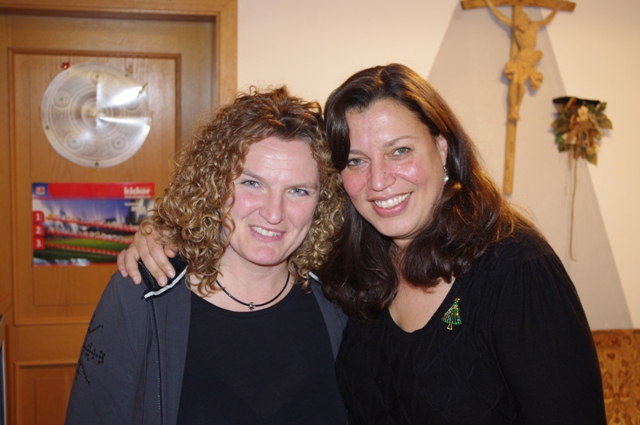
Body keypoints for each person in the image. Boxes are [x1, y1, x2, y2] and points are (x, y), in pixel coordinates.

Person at [119, 64, 607, 424]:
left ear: (441, 148)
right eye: (355, 160)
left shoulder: (516, 271)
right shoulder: (352, 269)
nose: (379, 181)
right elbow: (261, 224)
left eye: (400, 151)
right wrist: (165, 232)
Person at [66, 87, 348, 424]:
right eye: (252, 183)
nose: (274, 213)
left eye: (298, 191)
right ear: (214, 184)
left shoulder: (341, 303)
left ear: (322, 201)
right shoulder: (143, 297)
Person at [485, 0, 562, 121]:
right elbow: (501, 17)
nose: (521, 28)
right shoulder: (516, 29)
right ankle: (513, 109)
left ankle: (516, 108)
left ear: (526, 21)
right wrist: (490, 3)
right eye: (519, 27)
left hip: (529, 61)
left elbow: (547, 20)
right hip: (520, 60)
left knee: (521, 83)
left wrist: (557, 8)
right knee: (514, 82)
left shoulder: (534, 26)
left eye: (522, 26)